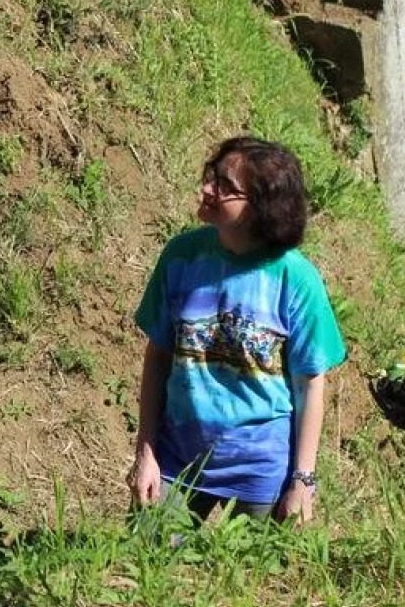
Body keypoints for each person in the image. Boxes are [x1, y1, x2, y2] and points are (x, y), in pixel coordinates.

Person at [130, 137, 346, 523]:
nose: (207, 189)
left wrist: (302, 480)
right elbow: (157, 357)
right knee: (148, 562)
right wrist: (145, 451)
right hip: (177, 459)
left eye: (225, 187)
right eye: (212, 177)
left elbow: (310, 383)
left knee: (252, 580)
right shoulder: (181, 257)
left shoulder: (296, 279)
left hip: (261, 471)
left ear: (260, 209)